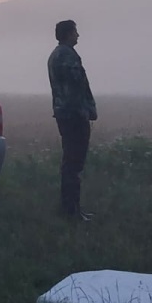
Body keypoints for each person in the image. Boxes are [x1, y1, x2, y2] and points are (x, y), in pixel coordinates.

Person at [47, 20, 98, 220]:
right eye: (75, 32)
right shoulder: (67, 56)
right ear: (68, 34)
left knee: (71, 162)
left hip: (66, 114)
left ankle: (71, 208)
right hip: (73, 115)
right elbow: (77, 86)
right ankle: (71, 210)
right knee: (74, 163)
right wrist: (86, 110)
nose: (78, 35)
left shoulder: (57, 55)